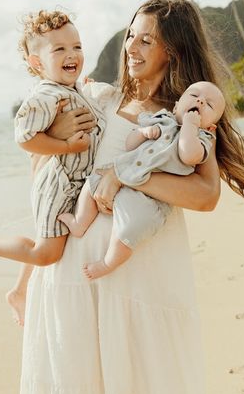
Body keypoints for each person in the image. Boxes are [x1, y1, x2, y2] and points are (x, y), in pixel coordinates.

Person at [20, 0, 244, 394]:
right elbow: (49, 187)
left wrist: (125, 173)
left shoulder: (186, 114)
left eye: (146, 40)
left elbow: (206, 196)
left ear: (172, 49)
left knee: (140, 391)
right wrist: (24, 279)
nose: (131, 48)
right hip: (72, 276)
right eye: (131, 36)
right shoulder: (98, 100)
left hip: (138, 275)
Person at [0, 10, 104, 325]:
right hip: (59, 185)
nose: (72, 55)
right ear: (37, 63)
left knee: (54, 243)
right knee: (46, 252)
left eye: (77, 46)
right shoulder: (45, 95)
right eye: (60, 49)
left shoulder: (68, 88)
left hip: (74, 182)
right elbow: (25, 138)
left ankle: (19, 290)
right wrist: (66, 147)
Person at [59, 81, 226, 279]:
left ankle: (108, 262)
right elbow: (130, 145)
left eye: (208, 104)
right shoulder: (161, 120)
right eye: (194, 95)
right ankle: (80, 222)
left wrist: (190, 126)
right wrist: (142, 133)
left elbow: (189, 155)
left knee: (129, 228)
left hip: (148, 198)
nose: (199, 100)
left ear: (211, 126)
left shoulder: (201, 139)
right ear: (176, 105)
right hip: (123, 171)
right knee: (92, 181)